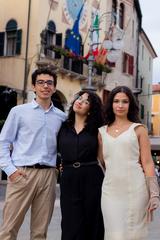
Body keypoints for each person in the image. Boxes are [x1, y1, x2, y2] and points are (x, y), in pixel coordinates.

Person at [0, 66, 66, 240]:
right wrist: (10, 170)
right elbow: (3, 142)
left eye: (49, 83)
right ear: (33, 86)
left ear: (54, 87)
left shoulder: (61, 117)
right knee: (9, 229)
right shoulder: (18, 112)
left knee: (40, 232)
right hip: (22, 173)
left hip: (48, 176)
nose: (45, 86)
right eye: (41, 82)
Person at [98, 86, 160, 240]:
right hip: (110, 192)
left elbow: (147, 163)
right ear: (110, 104)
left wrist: (154, 194)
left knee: (133, 235)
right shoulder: (101, 132)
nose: (120, 105)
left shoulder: (139, 129)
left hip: (136, 190)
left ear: (130, 105)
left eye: (125, 101)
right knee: (113, 235)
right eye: (116, 101)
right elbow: (103, 162)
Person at [58, 90, 104, 240]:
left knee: (93, 221)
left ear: (91, 110)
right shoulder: (63, 127)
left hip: (92, 177)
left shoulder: (98, 130)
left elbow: (104, 158)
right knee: (70, 223)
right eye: (79, 98)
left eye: (86, 102)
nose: (80, 102)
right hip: (68, 177)